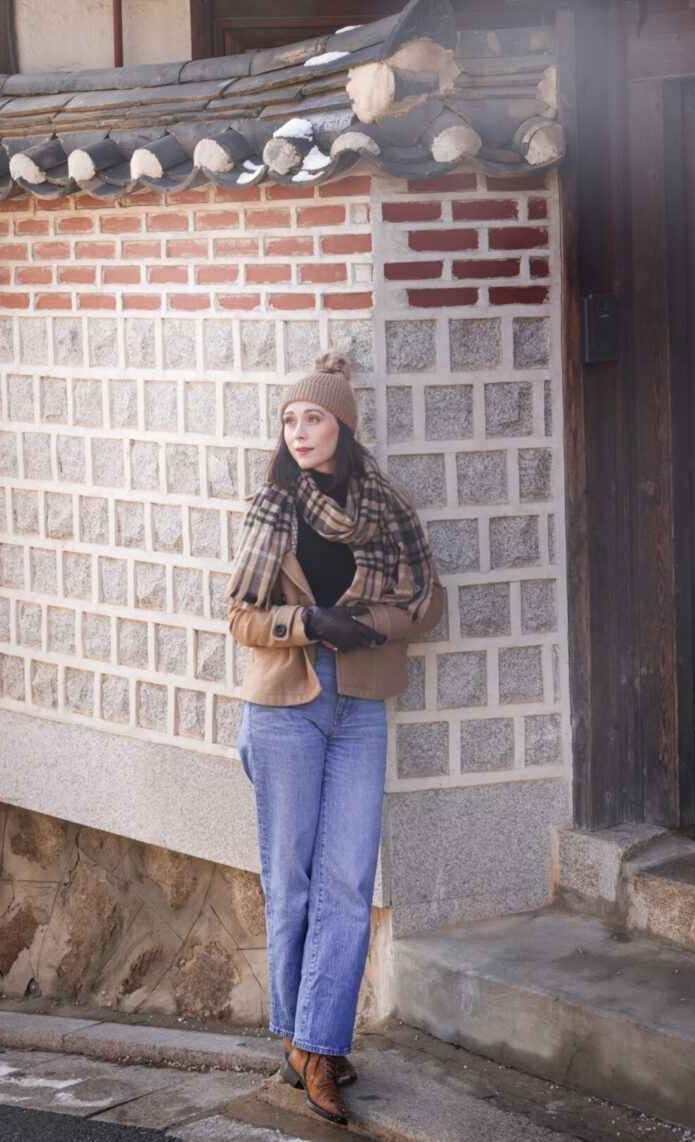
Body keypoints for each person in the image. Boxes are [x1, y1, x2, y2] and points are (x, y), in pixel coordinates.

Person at [226, 350, 444, 1127]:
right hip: (285, 704)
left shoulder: (385, 505)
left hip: (357, 706)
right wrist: (308, 622)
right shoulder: (271, 506)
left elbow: (427, 603)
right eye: (289, 420)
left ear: (341, 426)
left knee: (347, 880)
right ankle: (312, 1047)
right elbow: (241, 613)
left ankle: (311, 1046)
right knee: (291, 886)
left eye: (313, 417)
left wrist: (365, 627)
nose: (299, 432)